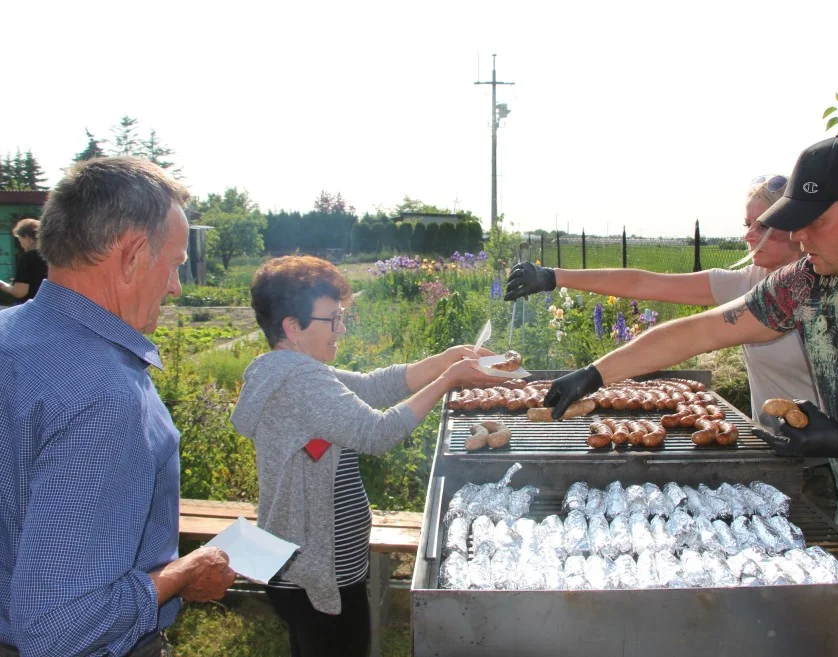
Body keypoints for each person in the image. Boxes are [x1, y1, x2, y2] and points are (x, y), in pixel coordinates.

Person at [544, 136, 838, 573]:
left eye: (813, 220)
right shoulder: (808, 281)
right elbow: (702, 330)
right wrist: (593, 374)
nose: (797, 235)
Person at [0, 157, 236, 657]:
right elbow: (58, 627)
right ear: (131, 255)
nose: (176, 287)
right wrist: (181, 574)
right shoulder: (107, 394)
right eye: (174, 264)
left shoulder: (10, 338)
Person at [230, 255, 502, 657]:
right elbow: (376, 433)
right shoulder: (300, 381)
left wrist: (444, 360)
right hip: (318, 573)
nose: (340, 328)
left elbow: (372, 388)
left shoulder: (290, 370)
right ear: (292, 327)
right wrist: (449, 380)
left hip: (308, 565)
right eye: (331, 319)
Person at [502, 174, 819, 430]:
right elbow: (643, 283)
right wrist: (553, 276)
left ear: (794, 225)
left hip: (829, 459)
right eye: (747, 224)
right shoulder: (747, 282)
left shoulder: (825, 287)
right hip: (773, 448)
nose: (749, 236)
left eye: (762, 224)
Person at [0, 218, 47, 302]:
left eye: (20, 240)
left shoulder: (27, 257)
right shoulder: (53, 256)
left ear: (27, 238)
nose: (21, 244)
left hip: (31, 307)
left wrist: (4, 286)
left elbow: (20, 292)